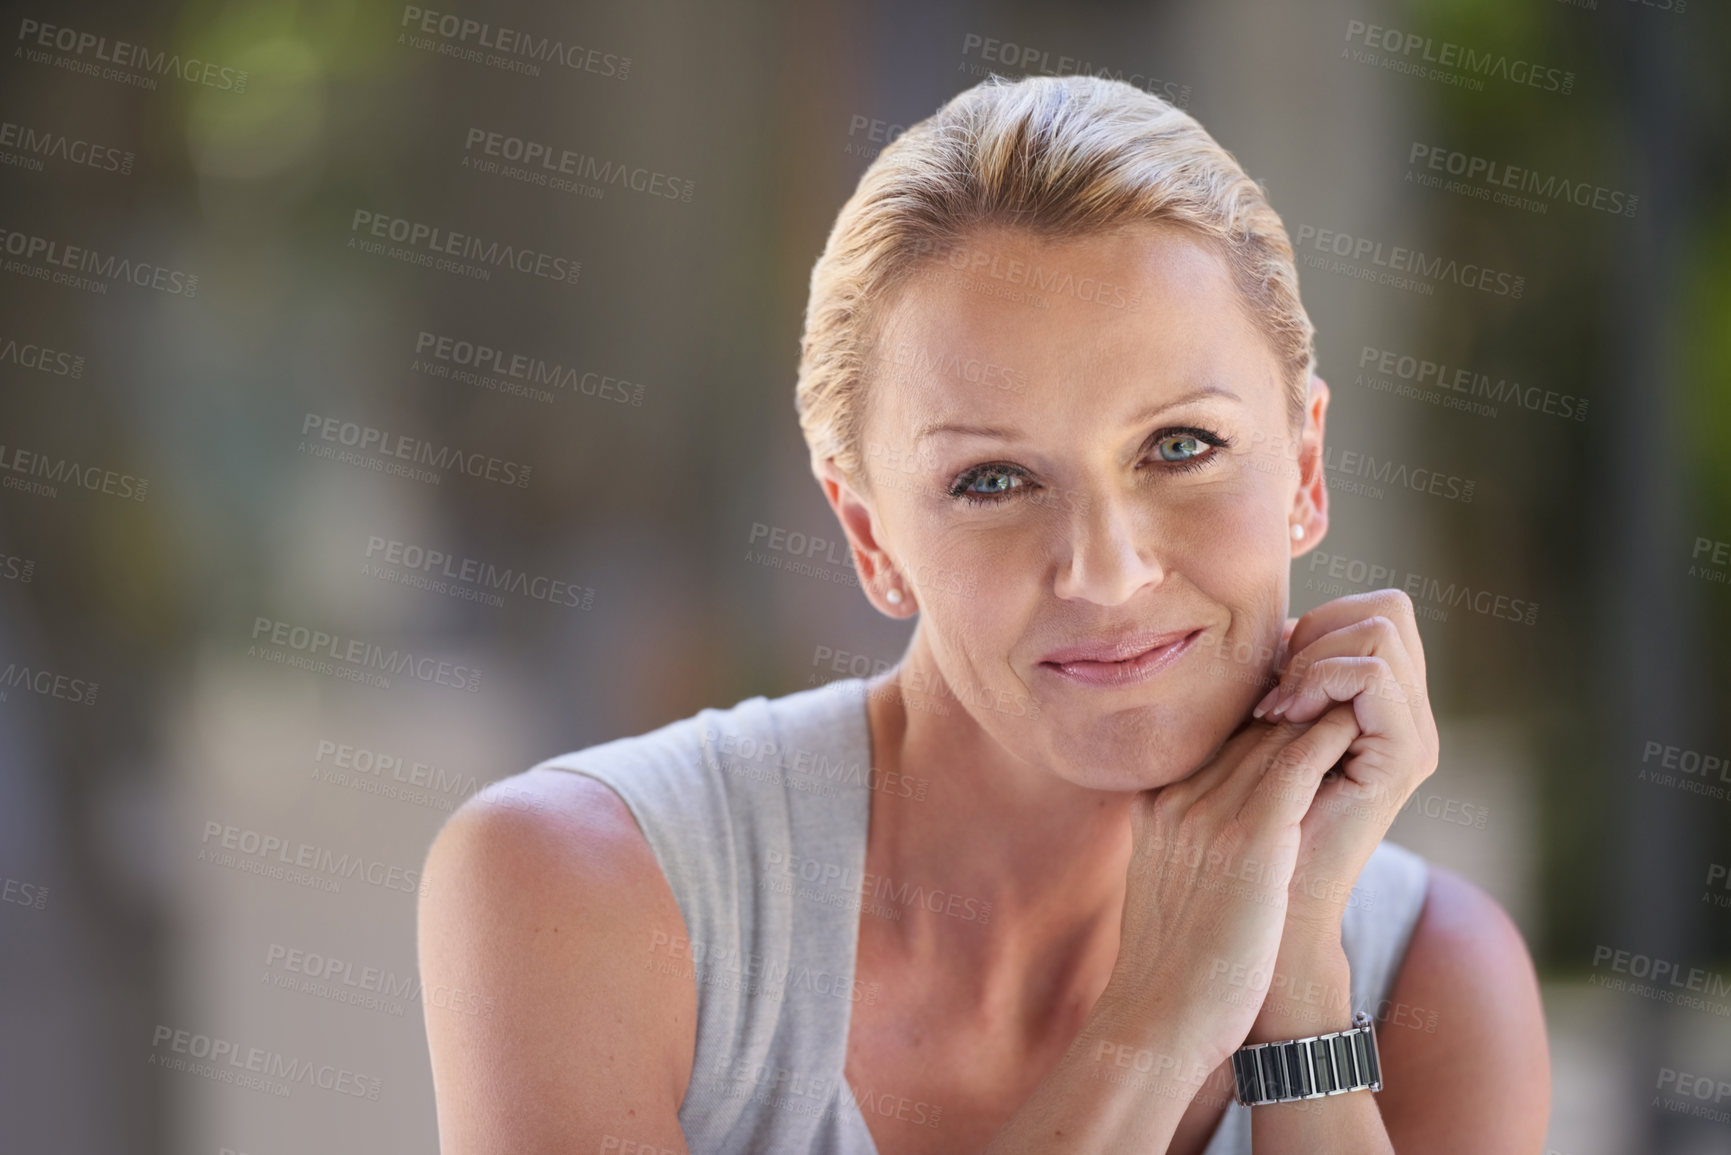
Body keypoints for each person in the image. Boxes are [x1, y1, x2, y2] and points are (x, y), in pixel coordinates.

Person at [417, 74, 1550, 1154]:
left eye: (1181, 447)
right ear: (869, 533)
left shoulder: (1435, 980)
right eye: (993, 481)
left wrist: (1298, 984)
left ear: (1304, 468)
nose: (1104, 573)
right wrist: (1151, 1028)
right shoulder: (582, 886)